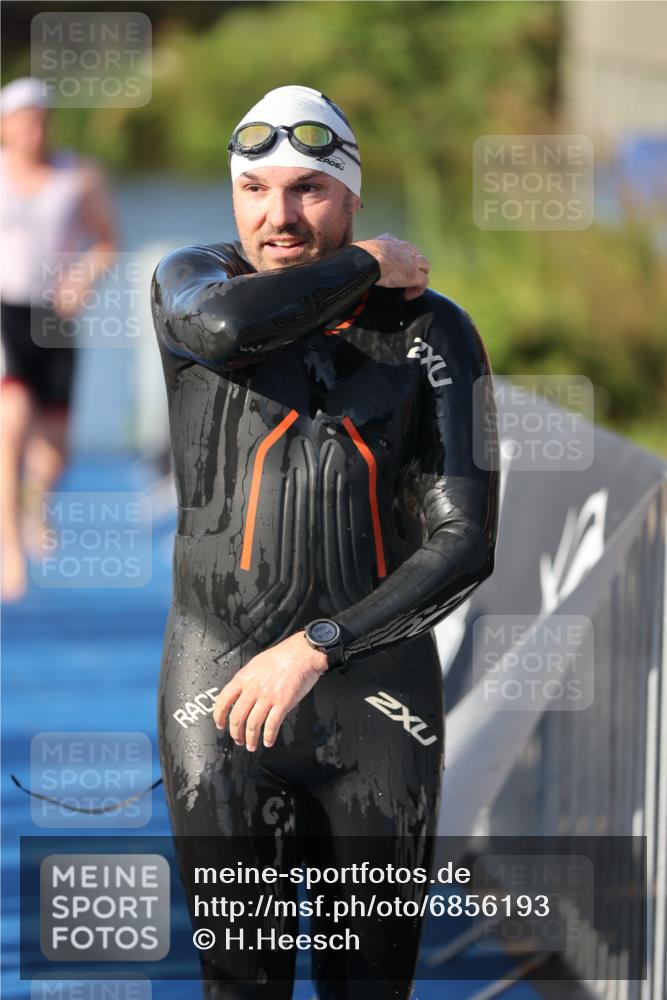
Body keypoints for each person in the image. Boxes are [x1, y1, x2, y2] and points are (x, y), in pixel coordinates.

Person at [152, 85, 499, 999]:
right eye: (255, 188)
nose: (279, 216)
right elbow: (229, 327)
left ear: (350, 194)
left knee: (370, 990)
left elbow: (465, 543)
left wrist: (319, 646)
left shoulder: (435, 334)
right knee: (242, 985)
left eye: (308, 188)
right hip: (215, 692)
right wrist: (368, 264)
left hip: (377, 701)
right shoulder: (192, 285)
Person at [0, 77, 117, 601]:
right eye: (23, 120)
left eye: (41, 118)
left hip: (55, 313)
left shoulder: (78, 176)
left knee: (55, 446)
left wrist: (84, 279)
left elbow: (108, 239)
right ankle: (7, 546)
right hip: (5, 308)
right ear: (5, 127)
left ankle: (34, 500)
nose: (34, 129)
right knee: (13, 421)